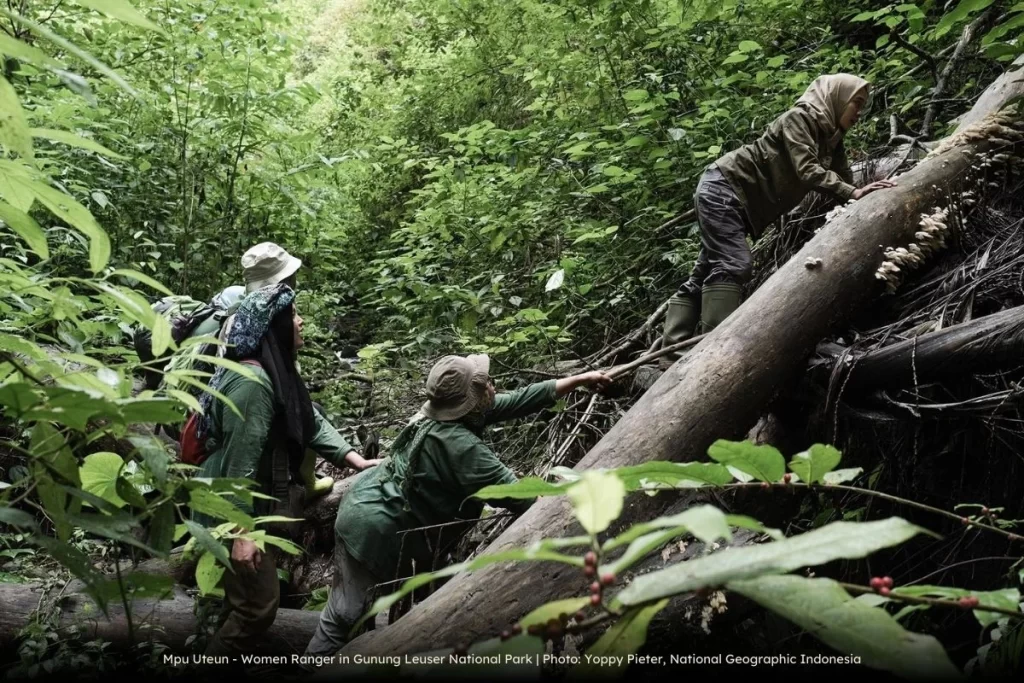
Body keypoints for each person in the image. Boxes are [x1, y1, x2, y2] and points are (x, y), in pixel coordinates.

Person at [303, 355, 611, 658]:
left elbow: (518, 399)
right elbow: (523, 497)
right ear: (472, 400)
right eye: (485, 382)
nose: (492, 384)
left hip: (370, 511)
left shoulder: (447, 415)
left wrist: (579, 380)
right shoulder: (461, 447)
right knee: (344, 616)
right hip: (373, 530)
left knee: (417, 606)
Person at [192, 283, 379, 659]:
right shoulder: (253, 385)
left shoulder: (274, 371)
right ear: (273, 326)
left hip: (245, 502)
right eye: (293, 315)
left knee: (239, 601)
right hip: (230, 507)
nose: (301, 320)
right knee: (257, 608)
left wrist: (352, 459)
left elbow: (309, 421)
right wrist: (242, 534)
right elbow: (240, 464)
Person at [659, 73, 896, 367]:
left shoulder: (831, 137)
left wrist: (858, 197)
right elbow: (807, 170)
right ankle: (710, 356)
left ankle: (671, 352)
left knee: (707, 270)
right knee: (734, 264)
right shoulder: (799, 119)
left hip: (733, 198)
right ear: (836, 98)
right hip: (724, 188)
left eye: (863, 105)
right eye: (856, 103)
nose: (859, 111)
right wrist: (853, 192)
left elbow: (844, 178)